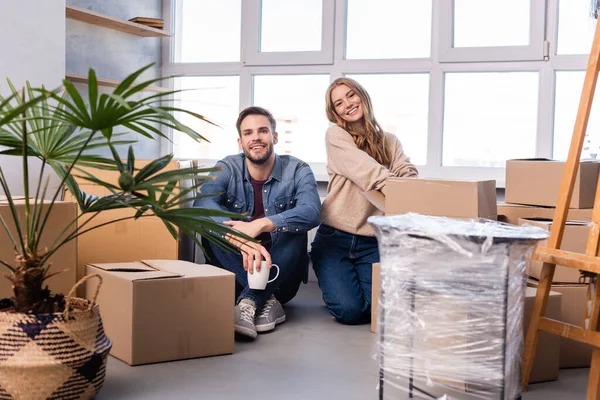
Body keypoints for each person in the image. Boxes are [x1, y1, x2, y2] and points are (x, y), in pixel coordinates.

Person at [195, 106, 321, 340]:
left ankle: (248, 302)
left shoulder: (298, 169)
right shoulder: (227, 167)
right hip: (235, 270)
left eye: (262, 131)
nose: (256, 137)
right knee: (214, 231)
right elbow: (201, 205)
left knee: (294, 228)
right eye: (248, 133)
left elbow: (312, 211)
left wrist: (262, 224)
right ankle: (265, 300)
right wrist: (240, 240)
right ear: (240, 142)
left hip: (281, 275)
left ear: (274, 137)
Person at [311, 77, 419, 325]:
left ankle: (343, 286)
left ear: (362, 95)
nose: (347, 104)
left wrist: (407, 185)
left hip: (372, 241)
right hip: (334, 238)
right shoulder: (335, 135)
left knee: (377, 310)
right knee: (350, 312)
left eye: (350, 95)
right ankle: (334, 283)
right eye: (339, 103)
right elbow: (367, 171)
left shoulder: (389, 141)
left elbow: (409, 173)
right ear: (334, 112)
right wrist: (402, 189)